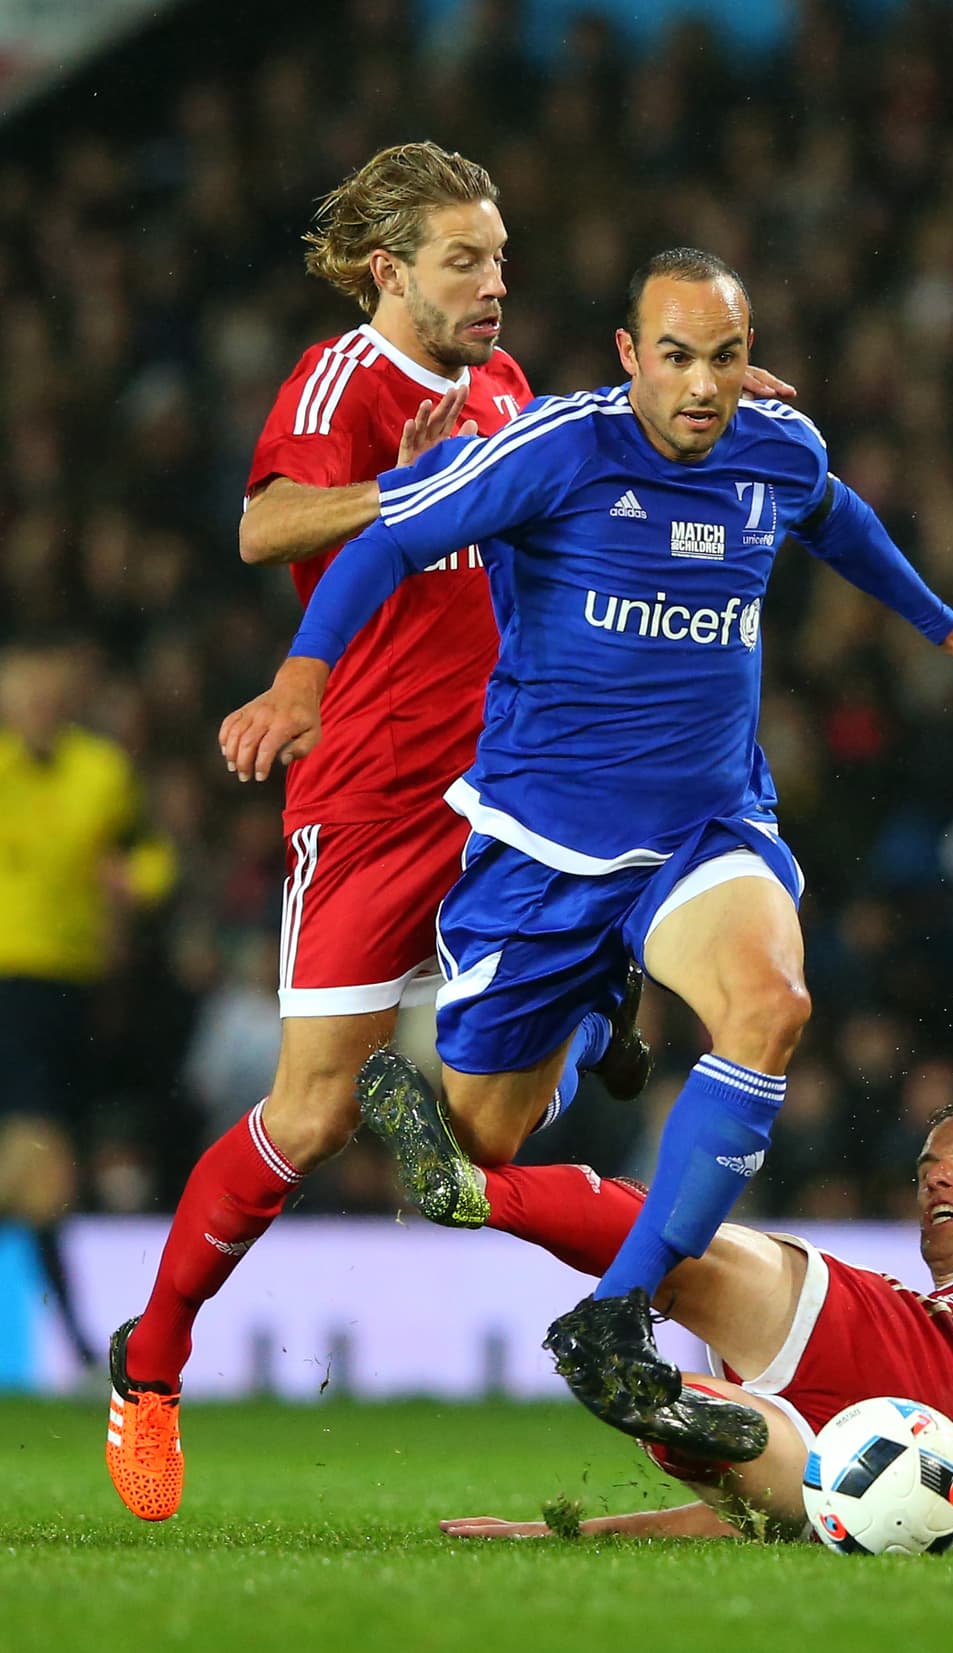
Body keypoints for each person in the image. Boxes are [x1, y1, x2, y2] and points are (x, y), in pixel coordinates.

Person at [219, 247, 953, 1463]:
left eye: (723, 356)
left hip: (706, 828)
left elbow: (836, 515)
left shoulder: (778, 444)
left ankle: (617, 1314)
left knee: (769, 1007)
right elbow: (383, 541)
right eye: (675, 356)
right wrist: (303, 677)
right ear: (628, 356)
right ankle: (594, 1025)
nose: (704, 385)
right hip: (543, 845)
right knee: (483, 1145)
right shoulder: (555, 450)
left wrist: (940, 622)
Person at [105, 141, 675, 1522]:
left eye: (500, 256)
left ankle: (594, 1011)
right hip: (366, 802)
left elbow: (547, 503)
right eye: (465, 260)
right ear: (392, 271)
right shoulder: (342, 385)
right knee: (306, 1116)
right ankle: (153, 1363)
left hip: (501, 794)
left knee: (489, 1146)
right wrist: (418, 490)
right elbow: (265, 524)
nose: (496, 283)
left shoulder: (501, 383)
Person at [435, 1105, 953, 1549]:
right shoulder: (921, 1314)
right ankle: (674, 1414)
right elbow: (736, 1521)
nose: (936, 1172)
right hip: (917, 1499)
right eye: (927, 1165)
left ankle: (480, 1189)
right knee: (761, 1456)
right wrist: (570, 1532)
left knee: (709, 1260)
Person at [0, 640, 175, 1374]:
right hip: (9, 981)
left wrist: (135, 882)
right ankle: (75, 1342)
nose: (34, 706)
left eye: (46, 692)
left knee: (39, 1166)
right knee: (44, 1164)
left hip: (72, 992)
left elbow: (152, 855)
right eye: (21, 694)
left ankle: (73, 1343)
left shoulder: (101, 773)